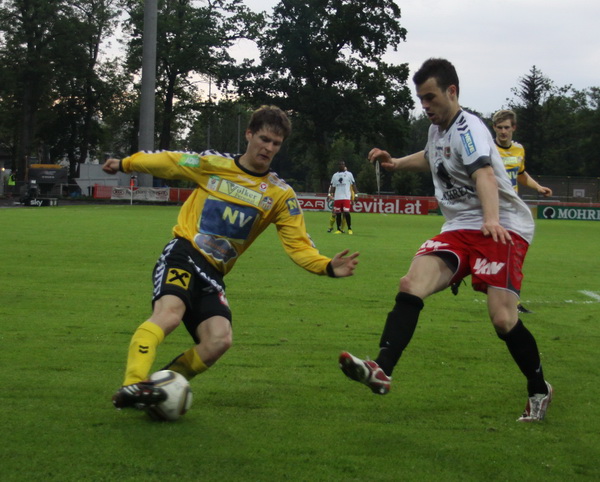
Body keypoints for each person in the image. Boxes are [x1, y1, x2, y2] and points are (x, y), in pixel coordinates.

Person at [103, 105, 359, 412]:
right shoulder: (213, 165)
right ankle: (133, 383)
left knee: (219, 340)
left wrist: (326, 266)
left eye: (276, 143)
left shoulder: (279, 194)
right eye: (264, 139)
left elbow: (298, 245)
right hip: (184, 254)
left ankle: (160, 387)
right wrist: (126, 163)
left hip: (213, 274)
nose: (269, 148)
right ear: (249, 134)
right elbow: (170, 161)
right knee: (169, 314)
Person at [339, 59, 552, 422]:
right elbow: (431, 157)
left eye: (430, 97)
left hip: (502, 224)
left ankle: (539, 389)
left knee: (503, 319)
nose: (425, 106)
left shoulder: (469, 128)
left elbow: (484, 174)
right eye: (421, 99)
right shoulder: (437, 130)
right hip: (458, 227)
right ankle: (382, 368)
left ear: (452, 92)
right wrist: (395, 163)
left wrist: (490, 219)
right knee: (411, 284)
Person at [452, 109, 553, 313]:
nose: (503, 131)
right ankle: (462, 274)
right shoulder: (487, 149)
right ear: (494, 128)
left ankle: (510, 300)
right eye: (499, 127)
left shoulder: (519, 149)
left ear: (514, 128)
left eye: (507, 127)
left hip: (510, 210)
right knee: (489, 250)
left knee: (507, 253)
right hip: (490, 207)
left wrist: (538, 187)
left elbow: (521, 174)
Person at [328, 161, 358, 234]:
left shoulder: (349, 174)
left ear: (344, 165)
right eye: (340, 164)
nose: (341, 165)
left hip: (346, 197)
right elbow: (332, 186)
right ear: (338, 166)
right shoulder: (335, 175)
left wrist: (356, 195)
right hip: (337, 198)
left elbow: (353, 185)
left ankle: (349, 229)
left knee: (346, 213)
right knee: (338, 214)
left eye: (343, 164)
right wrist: (329, 194)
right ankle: (338, 229)